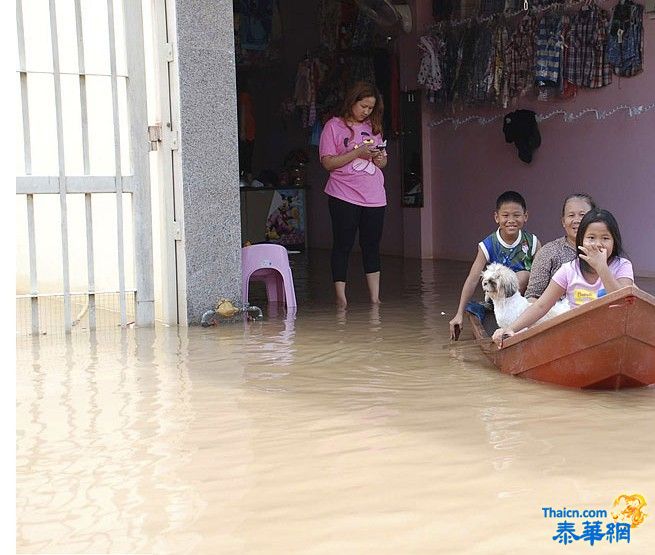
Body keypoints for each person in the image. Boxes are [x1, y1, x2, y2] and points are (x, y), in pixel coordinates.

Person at [492, 208, 634, 347]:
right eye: (591, 238)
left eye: (605, 238)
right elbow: (541, 306)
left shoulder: (622, 266)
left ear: (614, 241)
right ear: (581, 241)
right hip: (578, 337)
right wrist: (511, 328)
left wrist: (602, 268)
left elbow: (624, 301)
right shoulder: (569, 269)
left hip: (613, 335)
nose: (598, 244)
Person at [319, 81, 388, 307]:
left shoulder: (374, 127)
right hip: (343, 194)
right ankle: (341, 298)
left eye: (370, 108)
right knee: (343, 244)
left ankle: (375, 298)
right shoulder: (333, 126)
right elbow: (328, 162)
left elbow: (383, 161)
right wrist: (357, 152)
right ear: (352, 101)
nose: (366, 112)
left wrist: (380, 159)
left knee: (372, 245)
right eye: (363, 106)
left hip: (375, 196)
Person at [449, 191, 541, 339]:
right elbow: (473, 279)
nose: (511, 220)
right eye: (505, 216)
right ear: (496, 217)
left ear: (525, 216)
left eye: (516, 215)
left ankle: (524, 321)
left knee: (526, 276)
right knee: (521, 276)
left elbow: (541, 275)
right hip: (499, 298)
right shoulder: (488, 245)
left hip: (525, 301)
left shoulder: (533, 242)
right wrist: (459, 313)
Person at [525, 193, 596, 300]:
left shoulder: (604, 251)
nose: (577, 220)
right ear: (563, 221)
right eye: (571, 215)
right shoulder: (548, 252)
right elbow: (532, 296)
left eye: (582, 215)